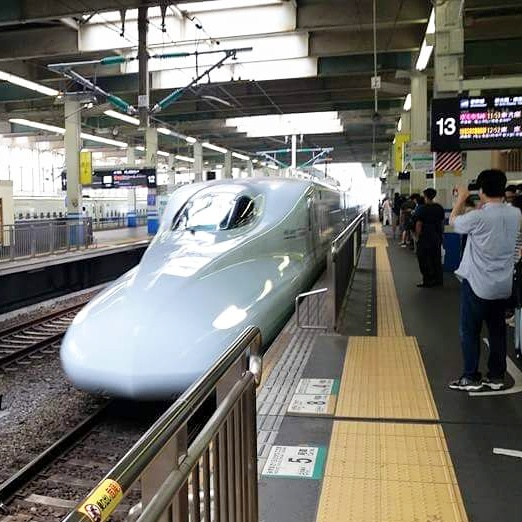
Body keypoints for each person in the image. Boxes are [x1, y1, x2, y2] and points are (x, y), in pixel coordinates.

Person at [449, 169, 520, 391]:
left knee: (470, 331)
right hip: (503, 285)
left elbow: (454, 222)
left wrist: (460, 199)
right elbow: (493, 218)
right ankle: (496, 376)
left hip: (477, 284)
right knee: (497, 331)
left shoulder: (477, 217)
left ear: (481, 190)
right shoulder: (515, 213)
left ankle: (471, 377)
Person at [414, 188, 445, 288]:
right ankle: (438, 280)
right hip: (436, 237)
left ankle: (427, 280)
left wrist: (417, 237)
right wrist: (441, 235)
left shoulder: (421, 208)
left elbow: (418, 224)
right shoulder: (439, 208)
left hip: (425, 237)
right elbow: (442, 223)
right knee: (436, 258)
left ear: (425, 196)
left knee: (423, 259)